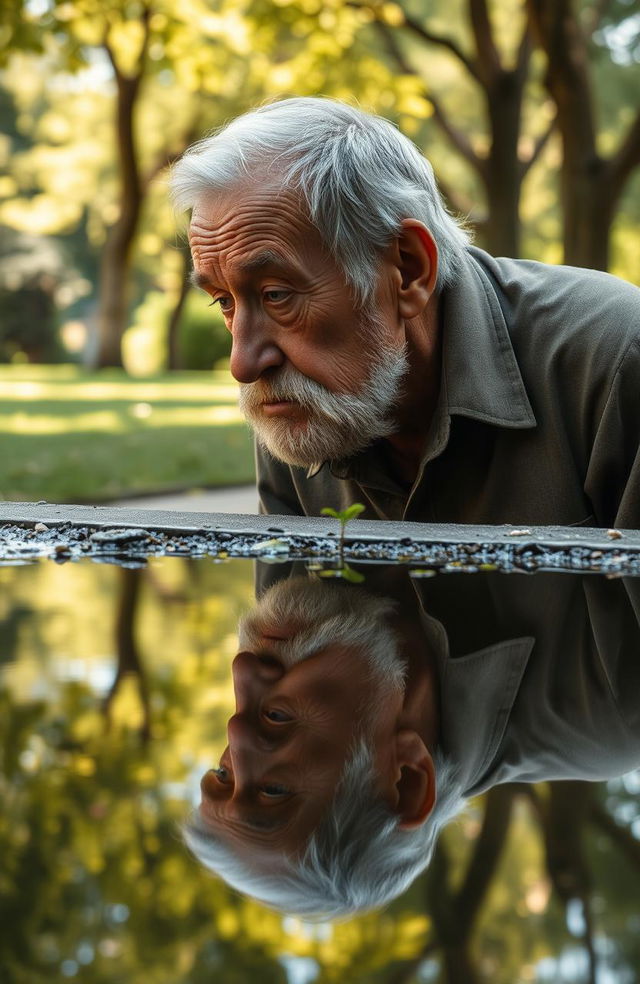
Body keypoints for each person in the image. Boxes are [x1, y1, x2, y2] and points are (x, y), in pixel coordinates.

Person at [170, 97, 640, 529]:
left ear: (408, 270)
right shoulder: (299, 405)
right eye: (225, 301)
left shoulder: (612, 359)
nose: (244, 365)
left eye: (276, 295)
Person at [184, 569, 640, 918]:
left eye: (222, 774)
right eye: (275, 789)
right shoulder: (610, 698)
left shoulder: (285, 609)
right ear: (404, 778)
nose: (244, 671)